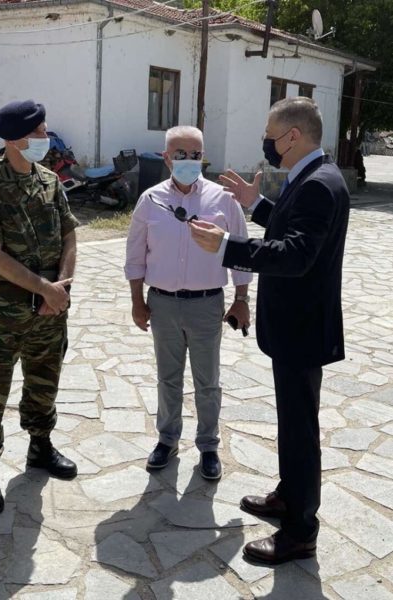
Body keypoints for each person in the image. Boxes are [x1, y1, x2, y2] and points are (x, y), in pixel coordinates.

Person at [190, 97, 350, 564]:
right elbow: (292, 226)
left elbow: (295, 254)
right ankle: (289, 496)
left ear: (292, 136)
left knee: (300, 430)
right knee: (292, 424)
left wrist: (228, 246)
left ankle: (300, 530)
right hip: (297, 328)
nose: (265, 141)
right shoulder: (314, 176)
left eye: (269, 133)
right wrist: (256, 204)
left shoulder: (318, 184)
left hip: (302, 330)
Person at [0, 99, 79, 516]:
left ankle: (40, 447)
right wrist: (45, 289)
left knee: (45, 381)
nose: (46, 138)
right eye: (39, 132)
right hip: (1, 316)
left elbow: (70, 235)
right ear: (15, 139)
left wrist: (60, 289)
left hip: (50, 311)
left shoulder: (50, 180)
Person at [124, 125, 252, 480]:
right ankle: (167, 439)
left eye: (196, 155)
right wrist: (136, 301)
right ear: (166, 158)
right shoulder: (150, 201)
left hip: (207, 305)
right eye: (181, 154)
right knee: (168, 378)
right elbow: (135, 255)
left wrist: (242, 298)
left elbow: (241, 252)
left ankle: (208, 445)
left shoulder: (223, 199)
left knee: (207, 381)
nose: (189, 161)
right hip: (162, 304)